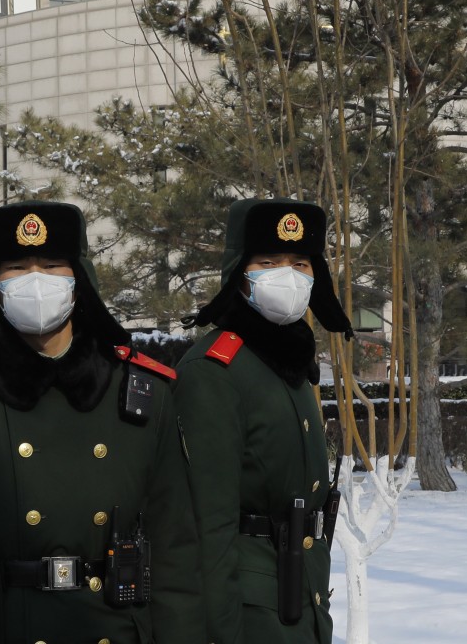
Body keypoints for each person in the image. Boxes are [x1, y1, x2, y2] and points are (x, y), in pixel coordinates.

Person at [0, 201, 204, 644]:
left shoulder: (143, 389)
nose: (36, 281)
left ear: (79, 280)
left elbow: (175, 551)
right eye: (16, 267)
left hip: (112, 624)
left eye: (53, 265)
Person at [172, 198, 353, 644]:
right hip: (249, 610)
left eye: (300, 263)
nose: (286, 275)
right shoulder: (215, 369)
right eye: (268, 261)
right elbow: (207, 527)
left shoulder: (288, 357)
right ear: (239, 271)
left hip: (301, 592)